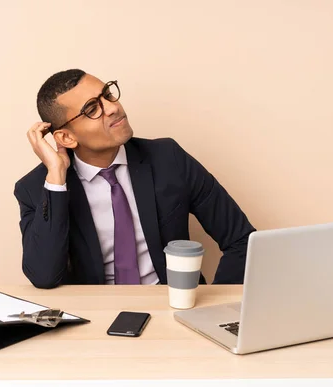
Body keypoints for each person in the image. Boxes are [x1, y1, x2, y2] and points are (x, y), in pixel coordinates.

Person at [14, 69, 256, 289]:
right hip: (94, 318)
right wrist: (57, 175)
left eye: (107, 95)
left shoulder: (168, 159)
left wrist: (212, 309)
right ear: (66, 138)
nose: (112, 108)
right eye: (91, 109)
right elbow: (44, 276)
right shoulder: (37, 189)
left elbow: (242, 240)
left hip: (172, 309)